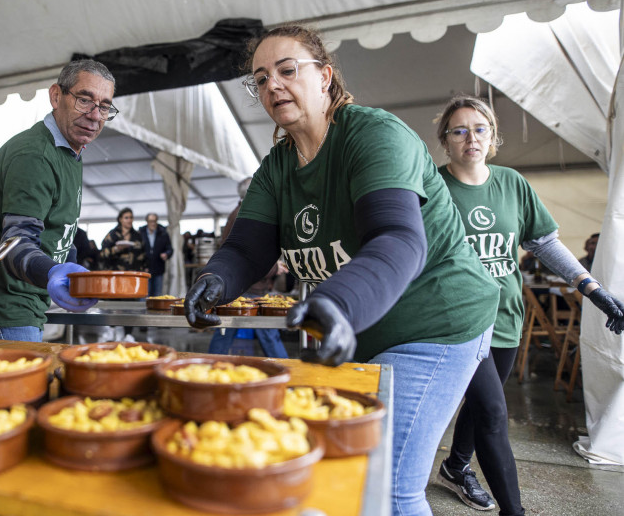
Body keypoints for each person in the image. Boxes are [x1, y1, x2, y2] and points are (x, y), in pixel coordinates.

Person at [181, 25, 498, 515]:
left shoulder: (373, 134)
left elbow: (397, 238)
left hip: (436, 320)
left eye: (287, 71)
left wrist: (337, 303)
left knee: (387, 486)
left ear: (325, 77)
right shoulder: (277, 167)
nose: (272, 86)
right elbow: (246, 248)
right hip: (364, 324)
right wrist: (213, 280)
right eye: (260, 79)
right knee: (343, 473)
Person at [433, 95, 624, 515]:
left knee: (484, 401)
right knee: (494, 413)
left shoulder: (511, 183)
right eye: (459, 131)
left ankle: (456, 465)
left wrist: (592, 288)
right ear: (444, 141)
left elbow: (542, 242)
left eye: (480, 129)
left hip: (505, 318)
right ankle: (513, 510)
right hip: (457, 320)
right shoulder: (432, 187)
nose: (471, 138)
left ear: (493, 136)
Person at [0, 59, 117, 342]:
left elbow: (60, 229)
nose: (94, 115)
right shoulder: (35, 155)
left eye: (104, 106)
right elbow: (13, 245)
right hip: (8, 311)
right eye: (84, 100)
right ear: (55, 96)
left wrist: (76, 273)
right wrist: (54, 271)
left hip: (31, 305)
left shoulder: (70, 151)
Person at [207, 177, 290, 358]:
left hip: (240, 285)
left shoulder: (239, 213)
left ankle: (210, 364)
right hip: (248, 286)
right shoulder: (245, 215)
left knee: (225, 330)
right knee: (267, 332)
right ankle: (288, 372)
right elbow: (246, 256)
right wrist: (275, 269)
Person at [98, 207, 146, 271]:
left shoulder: (137, 235)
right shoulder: (112, 235)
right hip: (115, 274)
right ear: (120, 219)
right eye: (126, 218)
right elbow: (102, 254)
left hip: (134, 274)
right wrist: (116, 249)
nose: (129, 220)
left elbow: (144, 254)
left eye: (131, 217)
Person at [139, 213, 174, 297]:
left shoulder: (163, 233)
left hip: (158, 268)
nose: (153, 223)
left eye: (154, 221)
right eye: (151, 221)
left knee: (157, 294)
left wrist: (166, 254)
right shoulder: (141, 233)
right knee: (145, 294)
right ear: (147, 222)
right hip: (145, 268)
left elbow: (170, 248)